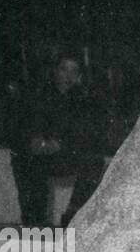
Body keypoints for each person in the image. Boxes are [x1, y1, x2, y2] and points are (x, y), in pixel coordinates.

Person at [11, 52, 107, 226]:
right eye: (64, 69)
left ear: (79, 76)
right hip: (34, 155)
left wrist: (61, 144)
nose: (68, 76)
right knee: (28, 165)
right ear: (55, 71)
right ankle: (33, 220)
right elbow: (28, 126)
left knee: (94, 161)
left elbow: (86, 133)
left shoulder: (82, 100)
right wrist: (39, 142)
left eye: (73, 71)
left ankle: (73, 214)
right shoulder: (39, 93)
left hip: (61, 154)